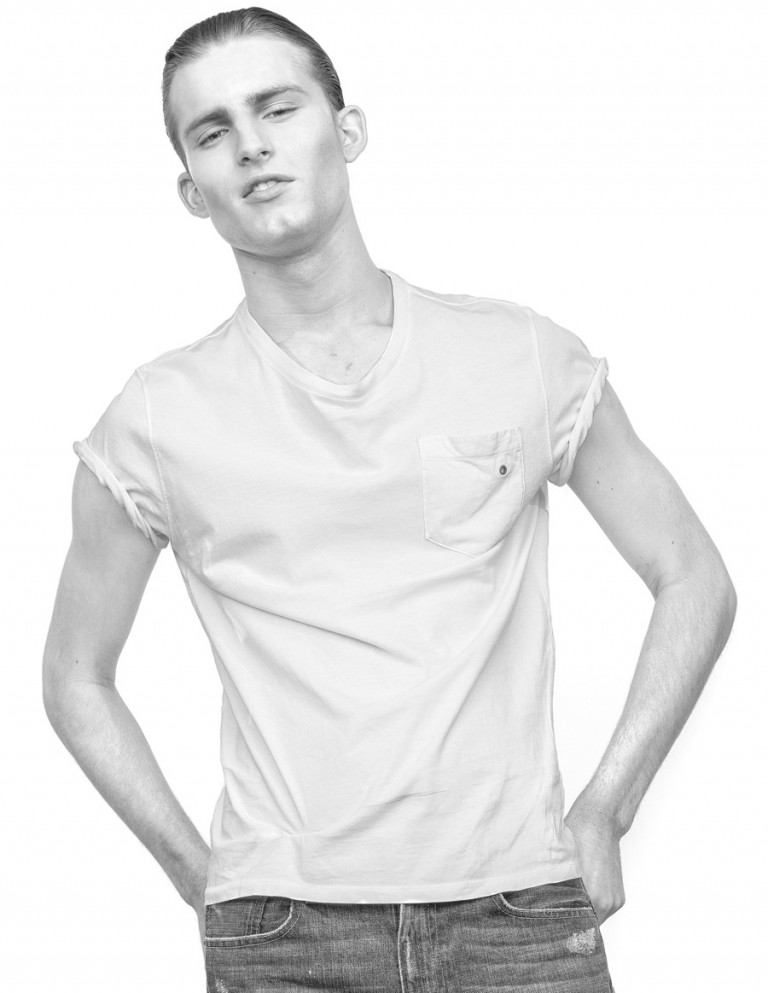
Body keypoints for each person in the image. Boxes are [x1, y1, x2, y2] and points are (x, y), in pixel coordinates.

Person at [42, 7, 737, 992]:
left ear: (348, 130)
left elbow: (693, 576)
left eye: (277, 108)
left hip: (521, 917)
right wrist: (203, 879)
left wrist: (608, 809)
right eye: (213, 130)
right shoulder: (156, 417)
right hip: (284, 935)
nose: (251, 145)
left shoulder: (518, 354)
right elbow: (76, 675)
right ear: (192, 188)